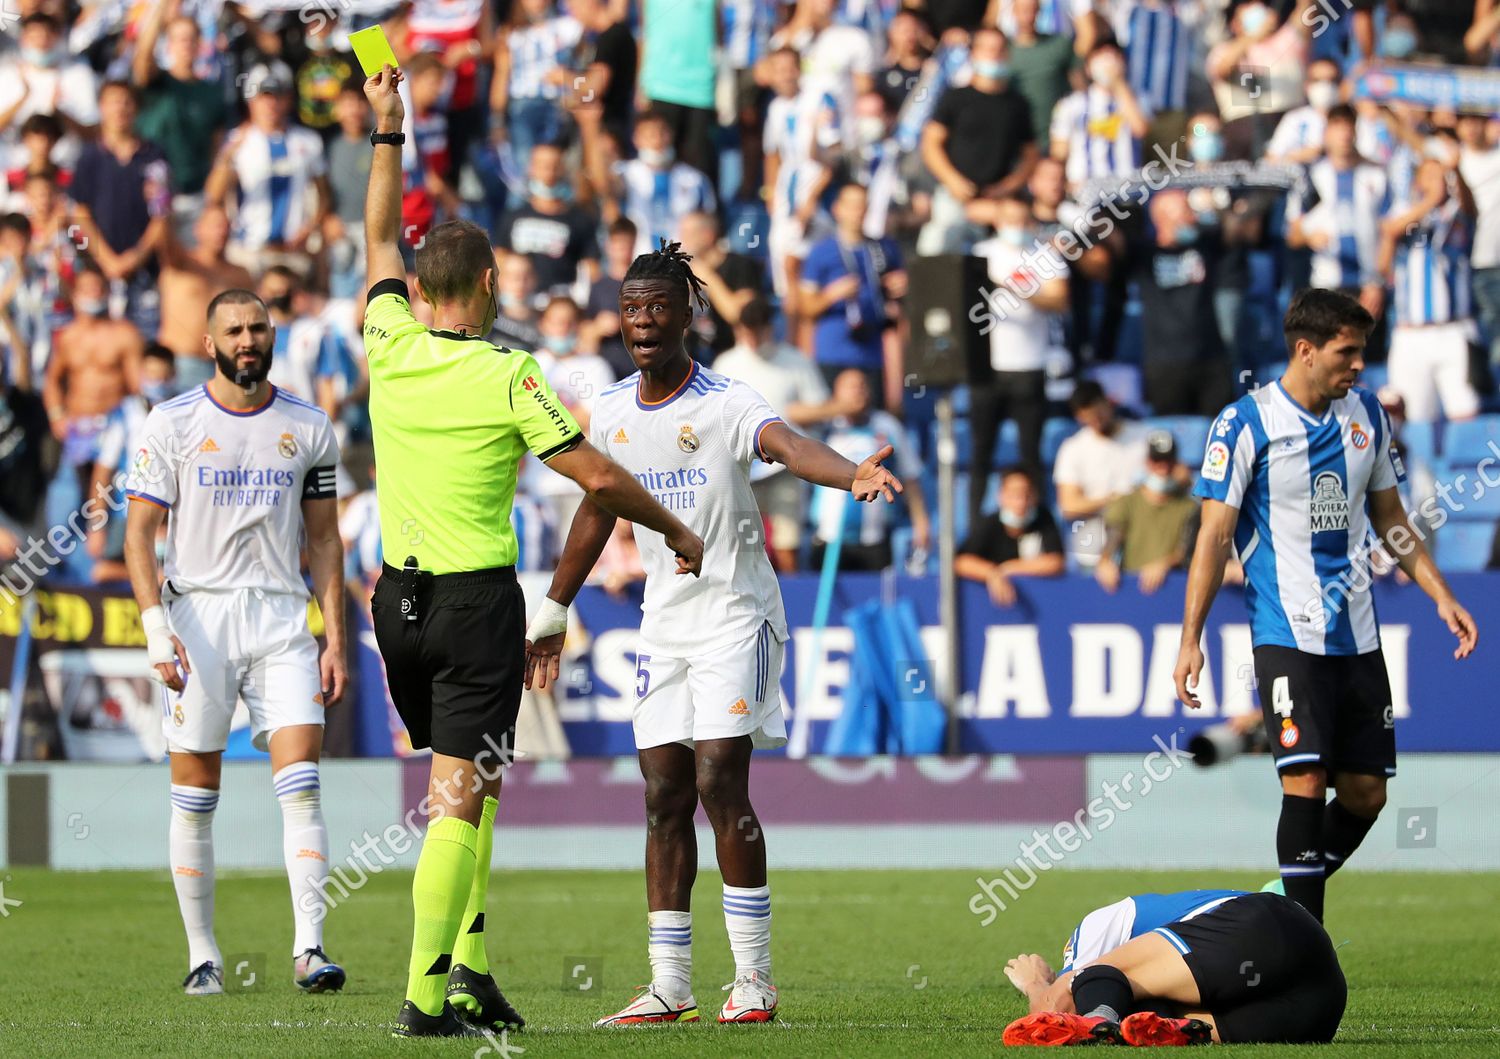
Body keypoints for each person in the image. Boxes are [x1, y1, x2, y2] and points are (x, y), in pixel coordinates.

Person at [359, 65, 704, 1039]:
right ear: (486, 286)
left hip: (396, 605)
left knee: (473, 777)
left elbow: (378, 233)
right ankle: (427, 995)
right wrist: (674, 527)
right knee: (458, 798)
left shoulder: (385, 337)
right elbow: (595, 476)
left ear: (420, 290)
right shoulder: (510, 372)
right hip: (474, 606)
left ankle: (467, 966)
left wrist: (389, 131)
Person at [523, 241, 904, 1028]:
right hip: (663, 625)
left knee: (719, 782)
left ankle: (754, 980)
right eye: (631, 309)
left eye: (658, 306)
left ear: (690, 313)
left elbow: (789, 447)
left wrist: (851, 473)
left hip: (738, 615)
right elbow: (599, 504)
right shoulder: (617, 409)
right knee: (663, 795)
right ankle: (670, 983)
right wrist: (556, 606)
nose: (642, 321)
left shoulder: (728, 400)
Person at [1174, 288, 1478, 926]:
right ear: (1306, 351)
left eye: (1363, 351)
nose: (1359, 365)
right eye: (1348, 351)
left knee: (1367, 793)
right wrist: (1190, 637)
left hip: (1358, 636)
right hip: (1286, 634)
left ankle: (1283, 897)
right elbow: (1213, 536)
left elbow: (1392, 519)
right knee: (1306, 778)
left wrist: (1441, 595)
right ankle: (1304, 938)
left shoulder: (1367, 415)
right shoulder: (1245, 423)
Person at [122, 289, 348, 998]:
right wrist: (156, 625)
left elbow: (324, 537)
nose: (248, 340)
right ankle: (202, 954)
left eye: (258, 328)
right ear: (210, 340)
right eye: (234, 331)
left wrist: (335, 635)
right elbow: (136, 535)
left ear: (272, 334)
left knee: (303, 784)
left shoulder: (309, 426)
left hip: (283, 620)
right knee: (194, 795)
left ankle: (310, 949)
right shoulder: (174, 421)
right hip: (198, 620)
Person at [1001, 888, 1347, 1045]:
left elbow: (1057, 1008)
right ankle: (1161, 1029)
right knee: (1163, 1025)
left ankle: (1101, 1018)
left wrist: (1035, 984)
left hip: (1258, 926)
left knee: (1092, 981)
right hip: (1317, 1005)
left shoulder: (1102, 923)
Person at [713, 298, 847, 571]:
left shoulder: (796, 361)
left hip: (785, 470)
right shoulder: (726, 364)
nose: (751, 338)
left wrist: (799, 414)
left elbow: (820, 409)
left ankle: (788, 604)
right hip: (742, 470)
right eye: (746, 331)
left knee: (788, 545)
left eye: (757, 330)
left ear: (769, 328)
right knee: (746, 547)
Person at [968, 195, 1067, 525]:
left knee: (1031, 456)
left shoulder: (1044, 256)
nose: (1016, 227)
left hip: (1029, 366)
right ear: (997, 221)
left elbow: (1059, 299)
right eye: (1009, 219)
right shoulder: (981, 255)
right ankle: (972, 527)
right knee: (980, 453)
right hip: (987, 369)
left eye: (1022, 220)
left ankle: (1037, 527)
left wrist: (1013, 288)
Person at [1379, 156, 1481, 423]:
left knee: (1465, 410)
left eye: (1441, 176)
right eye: (1430, 175)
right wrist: (1427, 202)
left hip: (1453, 329)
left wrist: (1457, 169)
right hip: (1411, 332)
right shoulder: (1404, 213)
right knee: (1411, 417)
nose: (1438, 182)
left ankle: (1466, 464)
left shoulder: (1457, 213)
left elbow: (1473, 212)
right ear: (1418, 180)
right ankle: (1419, 467)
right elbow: (1386, 241)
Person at [205, 61, 330, 278]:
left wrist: (310, 228)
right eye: (264, 96)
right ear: (251, 101)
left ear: (289, 99)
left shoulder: (308, 141)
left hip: (294, 251)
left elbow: (324, 195)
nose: (271, 104)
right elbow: (213, 195)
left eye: (278, 96)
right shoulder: (237, 141)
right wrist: (227, 155)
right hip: (250, 251)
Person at [919, 27, 1037, 254]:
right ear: (973, 54)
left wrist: (1006, 188)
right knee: (937, 244)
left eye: (999, 49)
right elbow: (931, 144)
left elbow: (1030, 155)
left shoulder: (1017, 104)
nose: (993, 54)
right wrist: (953, 181)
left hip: (1000, 201)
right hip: (953, 196)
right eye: (987, 49)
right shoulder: (955, 97)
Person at [68, 80, 171, 338]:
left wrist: (136, 257)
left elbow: (162, 214)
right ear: (101, 108)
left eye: (127, 101)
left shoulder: (153, 155)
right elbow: (80, 214)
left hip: (145, 271)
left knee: (144, 342)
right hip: (98, 272)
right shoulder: (89, 156)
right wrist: (108, 260)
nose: (120, 108)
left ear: (136, 109)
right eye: (113, 101)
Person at [809, 367, 930, 571]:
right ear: (836, 392)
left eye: (862, 386)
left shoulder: (887, 425)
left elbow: (910, 476)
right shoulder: (824, 425)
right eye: (851, 387)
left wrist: (921, 521)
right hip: (828, 538)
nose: (858, 391)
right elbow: (792, 415)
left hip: (874, 540)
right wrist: (836, 408)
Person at [43, 267, 144, 499]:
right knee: (67, 503)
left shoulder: (125, 334)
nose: (93, 293)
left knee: (109, 501)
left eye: (98, 288)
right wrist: (57, 414)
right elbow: (52, 380)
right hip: (76, 430)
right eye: (87, 288)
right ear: (75, 294)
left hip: (111, 429)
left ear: (108, 292)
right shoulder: (67, 336)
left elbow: (137, 387)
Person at [798, 183, 906, 398]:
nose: (858, 212)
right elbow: (805, 308)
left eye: (863, 205)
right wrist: (831, 295)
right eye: (852, 205)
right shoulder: (821, 252)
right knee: (831, 422)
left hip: (873, 352)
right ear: (838, 209)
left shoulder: (883, 248)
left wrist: (902, 284)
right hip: (833, 353)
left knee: (874, 423)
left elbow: (899, 302)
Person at [1134, 188, 1235, 416]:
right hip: (1165, 365)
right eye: (1186, 211)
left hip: (1211, 360)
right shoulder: (1142, 254)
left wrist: (1217, 208)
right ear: (1162, 217)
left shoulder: (1206, 245)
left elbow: (1237, 230)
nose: (1193, 217)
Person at [157, 207, 256, 390]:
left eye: (225, 226)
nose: (221, 231)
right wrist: (160, 209)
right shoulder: (181, 264)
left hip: (226, 365)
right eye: (214, 226)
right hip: (183, 362)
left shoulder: (241, 275)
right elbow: (164, 241)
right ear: (198, 229)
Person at [1052, 381, 1148, 568]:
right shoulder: (1073, 449)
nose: (1096, 422)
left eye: (1099, 414)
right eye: (1087, 418)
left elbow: (1178, 475)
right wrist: (1114, 500)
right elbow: (1069, 505)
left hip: (1141, 547)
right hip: (1092, 550)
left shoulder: (1144, 436)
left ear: (1107, 402)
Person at [1095, 431, 1197, 595]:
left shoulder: (1189, 507)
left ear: (1176, 464)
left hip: (1175, 587)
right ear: (1147, 463)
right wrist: (1105, 562)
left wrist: (1164, 564)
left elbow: (1188, 549)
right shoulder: (1126, 503)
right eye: (1157, 461)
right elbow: (1112, 540)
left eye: (1168, 462)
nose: (1163, 468)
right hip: (1133, 587)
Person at [495, 142, 600, 296]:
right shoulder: (512, 216)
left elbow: (591, 268)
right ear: (531, 168)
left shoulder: (580, 219)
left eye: (554, 165)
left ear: (563, 169)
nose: (549, 171)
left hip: (560, 302)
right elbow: (499, 261)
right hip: (520, 301)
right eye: (542, 165)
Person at [954, 464, 1064, 607]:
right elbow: (960, 561)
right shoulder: (990, 524)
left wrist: (1009, 568)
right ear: (1001, 496)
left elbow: (1055, 562)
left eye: (1026, 494)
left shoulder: (1044, 519)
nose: (1021, 502)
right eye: (1015, 494)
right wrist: (992, 574)